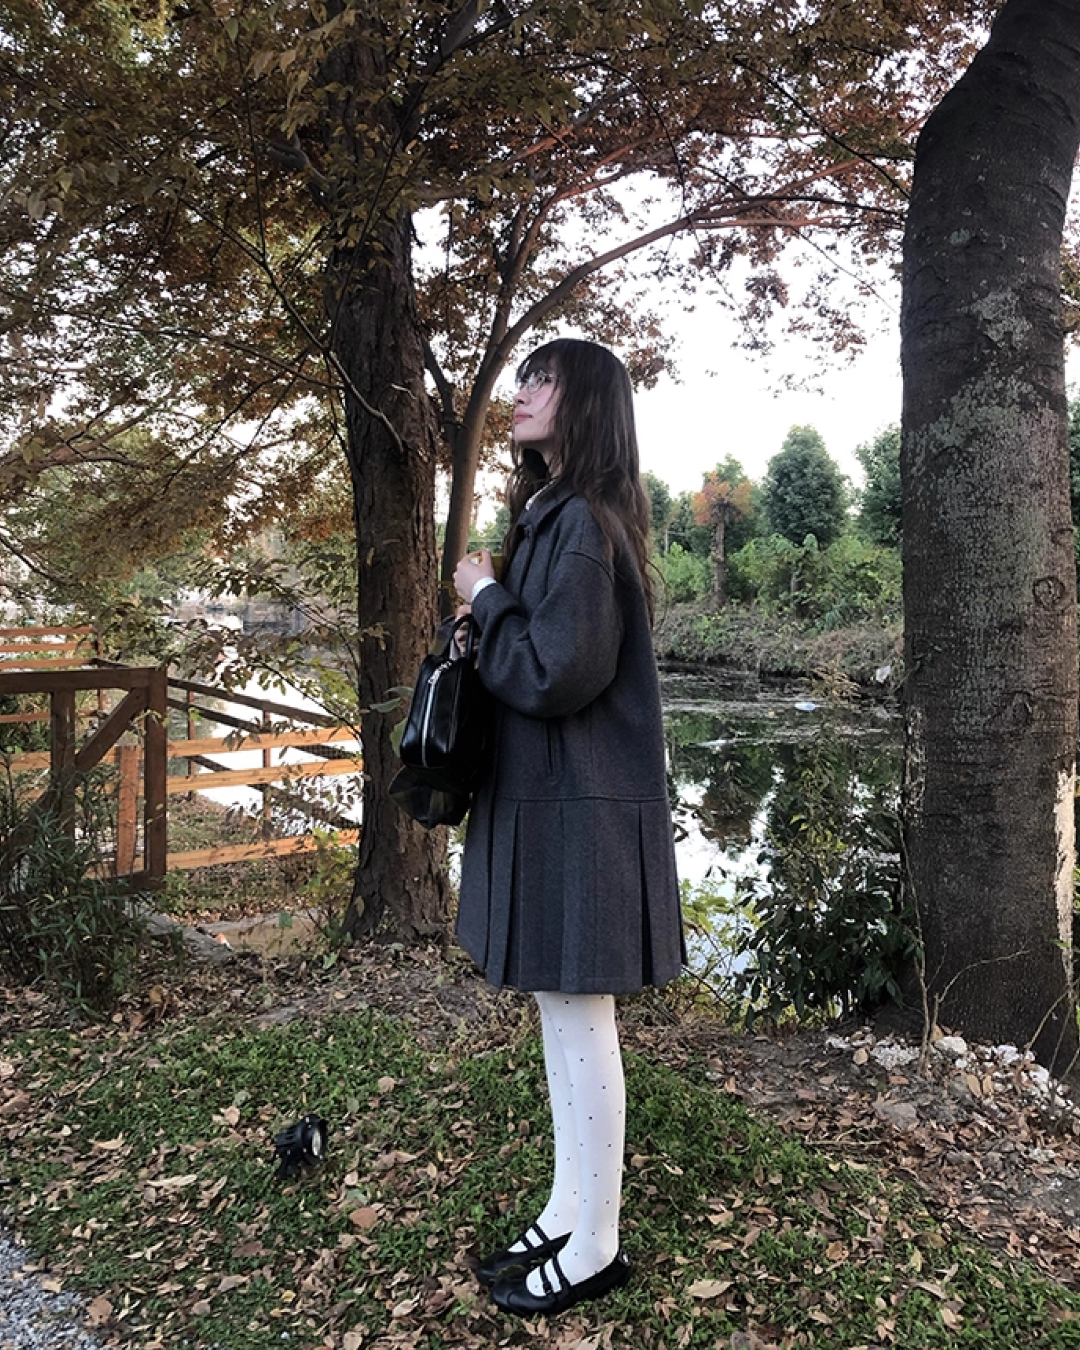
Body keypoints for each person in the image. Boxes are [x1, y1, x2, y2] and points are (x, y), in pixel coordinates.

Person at [451, 338, 685, 1318]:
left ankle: (596, 1244)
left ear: (587, 402)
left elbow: (557, 671)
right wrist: (488, 614)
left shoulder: (582, 522)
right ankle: (566, 1210)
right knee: (562, 1019)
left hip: (580, 809)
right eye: (524, 376)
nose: (522, 392)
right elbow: (533, 659)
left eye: (543, 379)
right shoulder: (554, 514)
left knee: (582, 1025)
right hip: (558, 804)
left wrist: (483, 595)